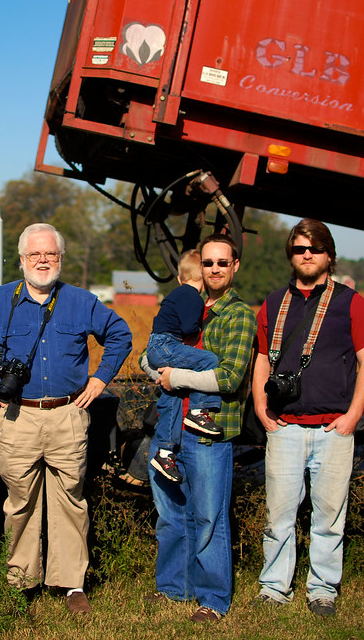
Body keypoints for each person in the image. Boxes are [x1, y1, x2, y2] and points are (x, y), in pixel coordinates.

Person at [0, 223, 132, 614]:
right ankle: (21, 581)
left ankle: (71, 583)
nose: (43, 260)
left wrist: (100, 379)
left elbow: (120, 334)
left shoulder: (81, 301)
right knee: (19, 501)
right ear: (21, 259)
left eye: (50, 254)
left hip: (68, 414)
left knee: (70, 499)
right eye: (35, 254)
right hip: (17, 416)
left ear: (60, 259)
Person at [251, 219, 364, 616]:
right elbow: (261, 357)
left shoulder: (349, 302)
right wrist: (260, 406)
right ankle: (274, 588)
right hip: (286, 429)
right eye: (299, 249)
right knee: (279, 519)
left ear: (329, 255)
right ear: (291, 255)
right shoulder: (274, 303)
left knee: (329, 519)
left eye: (315, 249)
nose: (307, 255)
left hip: (333, 430)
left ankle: (323, 589)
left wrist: (354, 416)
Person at [147, 232, 257, 623]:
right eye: (208, 263)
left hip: (210, 432)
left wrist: (175, 376)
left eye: (221, 263)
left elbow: (229, 378)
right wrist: (159, 369)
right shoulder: (188, 305)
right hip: (174, 427)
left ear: (234, 266)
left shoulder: (239, 315)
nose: (214, 269)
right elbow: (153, 355)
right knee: (172, 513)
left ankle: (212, 597)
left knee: (209, 515)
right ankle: (175, 588)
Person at [146, 249, 223, 482]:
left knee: (172, 396)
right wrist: (198, 329)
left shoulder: (177, 293)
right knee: (209, 360)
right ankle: (199, 412)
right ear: (203, 277)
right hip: (167, 344)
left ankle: (165, 453)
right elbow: (189, 327)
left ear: (180, 277)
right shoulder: (192, 296)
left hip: (157, 346)